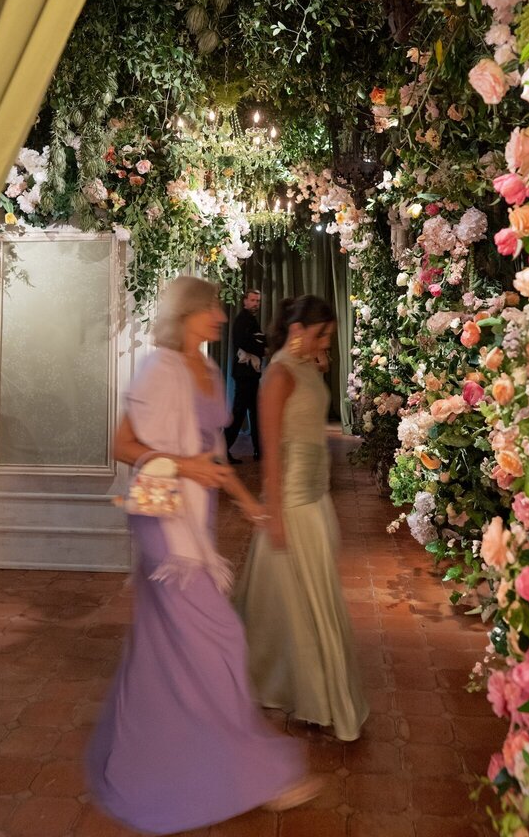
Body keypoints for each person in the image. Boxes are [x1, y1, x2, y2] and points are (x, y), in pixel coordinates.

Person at [86, 276, 319, 835]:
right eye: (212, 305)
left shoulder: (211, 373)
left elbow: (214, 456)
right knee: (219, 635)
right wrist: (184, 465)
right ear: (188, 313)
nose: (222, 314)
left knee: (169, 641)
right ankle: (248, 768)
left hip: (197, 517)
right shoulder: (157, 369)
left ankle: (160, 741)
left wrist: (251, 505)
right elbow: (121, 446)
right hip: (162, 521)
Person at [235, 295, 369, 742]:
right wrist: (274, 512)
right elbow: (271, 450)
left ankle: (304, 690)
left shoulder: (307, 365)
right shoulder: (277, 374)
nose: (325, 343)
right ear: (299, 330)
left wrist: (319, 355)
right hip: (291, 502)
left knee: (306, 604)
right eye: (322, 334)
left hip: (316, 498)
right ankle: (304, 693)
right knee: (293, 607)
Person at [224, 288, 265, 463]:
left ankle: (258, 450)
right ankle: (223, 449)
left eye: (258, 301)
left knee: (252, 412)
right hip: (245, 374)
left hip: (248, 373)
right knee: (240, 413)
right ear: (245, 301)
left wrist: (260, 342)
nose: (256, 304)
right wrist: (262, 345)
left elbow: (255, 341)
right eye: (253, 300)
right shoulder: (243, 320)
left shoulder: (248, 319)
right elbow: (244, 342)